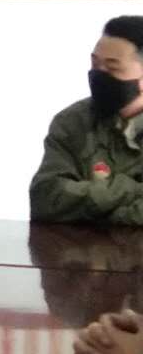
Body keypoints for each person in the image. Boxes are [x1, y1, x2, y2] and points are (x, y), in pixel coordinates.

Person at [31, 16, 143, 225]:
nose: (99, 75)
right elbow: (46, 198)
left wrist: (99, 213)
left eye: (113, 68)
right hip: (81, 247)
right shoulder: (73, 121)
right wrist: (128, 188)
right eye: (95, 64)